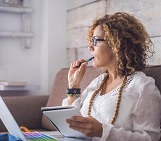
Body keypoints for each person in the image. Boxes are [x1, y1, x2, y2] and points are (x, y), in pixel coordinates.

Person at [62, 12, 161, 141]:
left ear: (116, 45)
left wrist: (102, 131)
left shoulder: (142, 86)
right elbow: (72, 122)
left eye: (96, 41)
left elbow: (150, 138)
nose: (90, 47)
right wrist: (73, 85)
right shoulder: (98, 82)